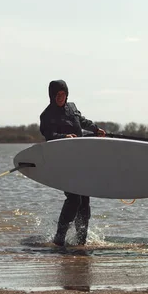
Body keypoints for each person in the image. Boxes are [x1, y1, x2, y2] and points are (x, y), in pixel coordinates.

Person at [39, 80, 106, 246]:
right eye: (57, 95)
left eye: (63, 94)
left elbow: (82, 121)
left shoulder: (72, 108)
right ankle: (59, 237)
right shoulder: (46, 115)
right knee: (74, 198)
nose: (61, 97)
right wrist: (64, 137)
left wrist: (95, 129)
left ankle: (81, 240)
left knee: (84, 199)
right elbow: (49, 136)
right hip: (63, 162)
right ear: (52, 96)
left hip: (80, 160)